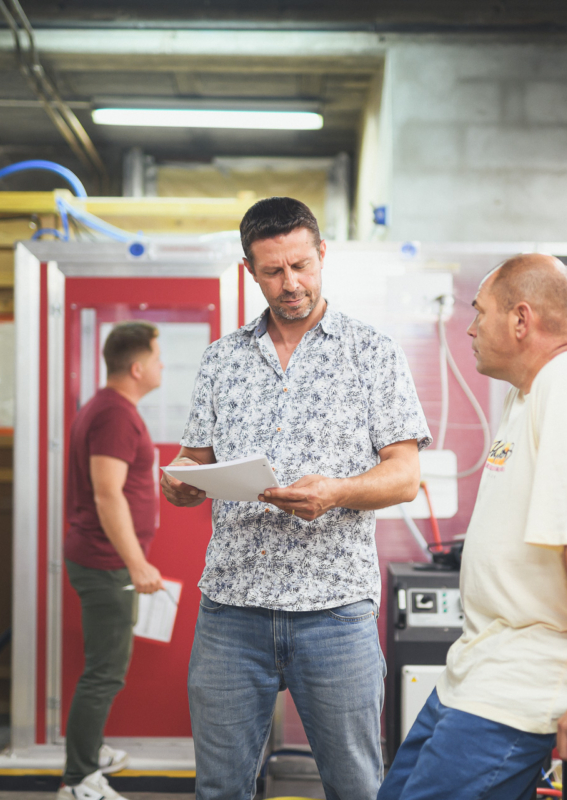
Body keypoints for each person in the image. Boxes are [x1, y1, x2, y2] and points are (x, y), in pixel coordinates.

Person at [161, 197, 431, 800]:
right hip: (231, 610)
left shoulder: (372, 353)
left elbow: (405, 476)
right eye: (274, 271)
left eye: (302, 266)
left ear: (322, 255)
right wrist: (179, 479)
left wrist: (337, 493)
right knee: (220, 789)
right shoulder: (221, 361)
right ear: (248, 270)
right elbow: (196, 461)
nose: (291, 284)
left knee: (356, 788)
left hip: (334, 613)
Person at [378, 255, 567, 800]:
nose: (470, 326)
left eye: (479, 312)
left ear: (521, 319)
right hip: (481, 669)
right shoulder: (530, 391)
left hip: (526, 683)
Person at [58, 321, 165, 800]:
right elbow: (107, 495)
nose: (164, 365)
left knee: (104, 666)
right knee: (105, 671)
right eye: (159, 358)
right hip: (106, 563)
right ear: (138, 367)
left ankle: (88, 750)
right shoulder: (115, 415)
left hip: (103, 560)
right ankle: (79, 778)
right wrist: (136, 563)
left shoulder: (107, 408)